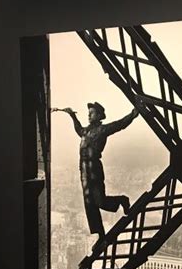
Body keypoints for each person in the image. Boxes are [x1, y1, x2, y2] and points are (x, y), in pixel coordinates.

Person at [53, 102, 140, 239]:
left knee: (99, 201)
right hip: (84, 170)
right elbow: (78, 130)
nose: (88, 115)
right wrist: (72, 116)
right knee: (89, 204)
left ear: (99, 115)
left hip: (94, 169)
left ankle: (122, 200)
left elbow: (119, 124)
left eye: (91, 113)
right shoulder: (86, 131)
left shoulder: (102, 130)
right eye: (89, 113)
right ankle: (100, 234)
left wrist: (132, 115)